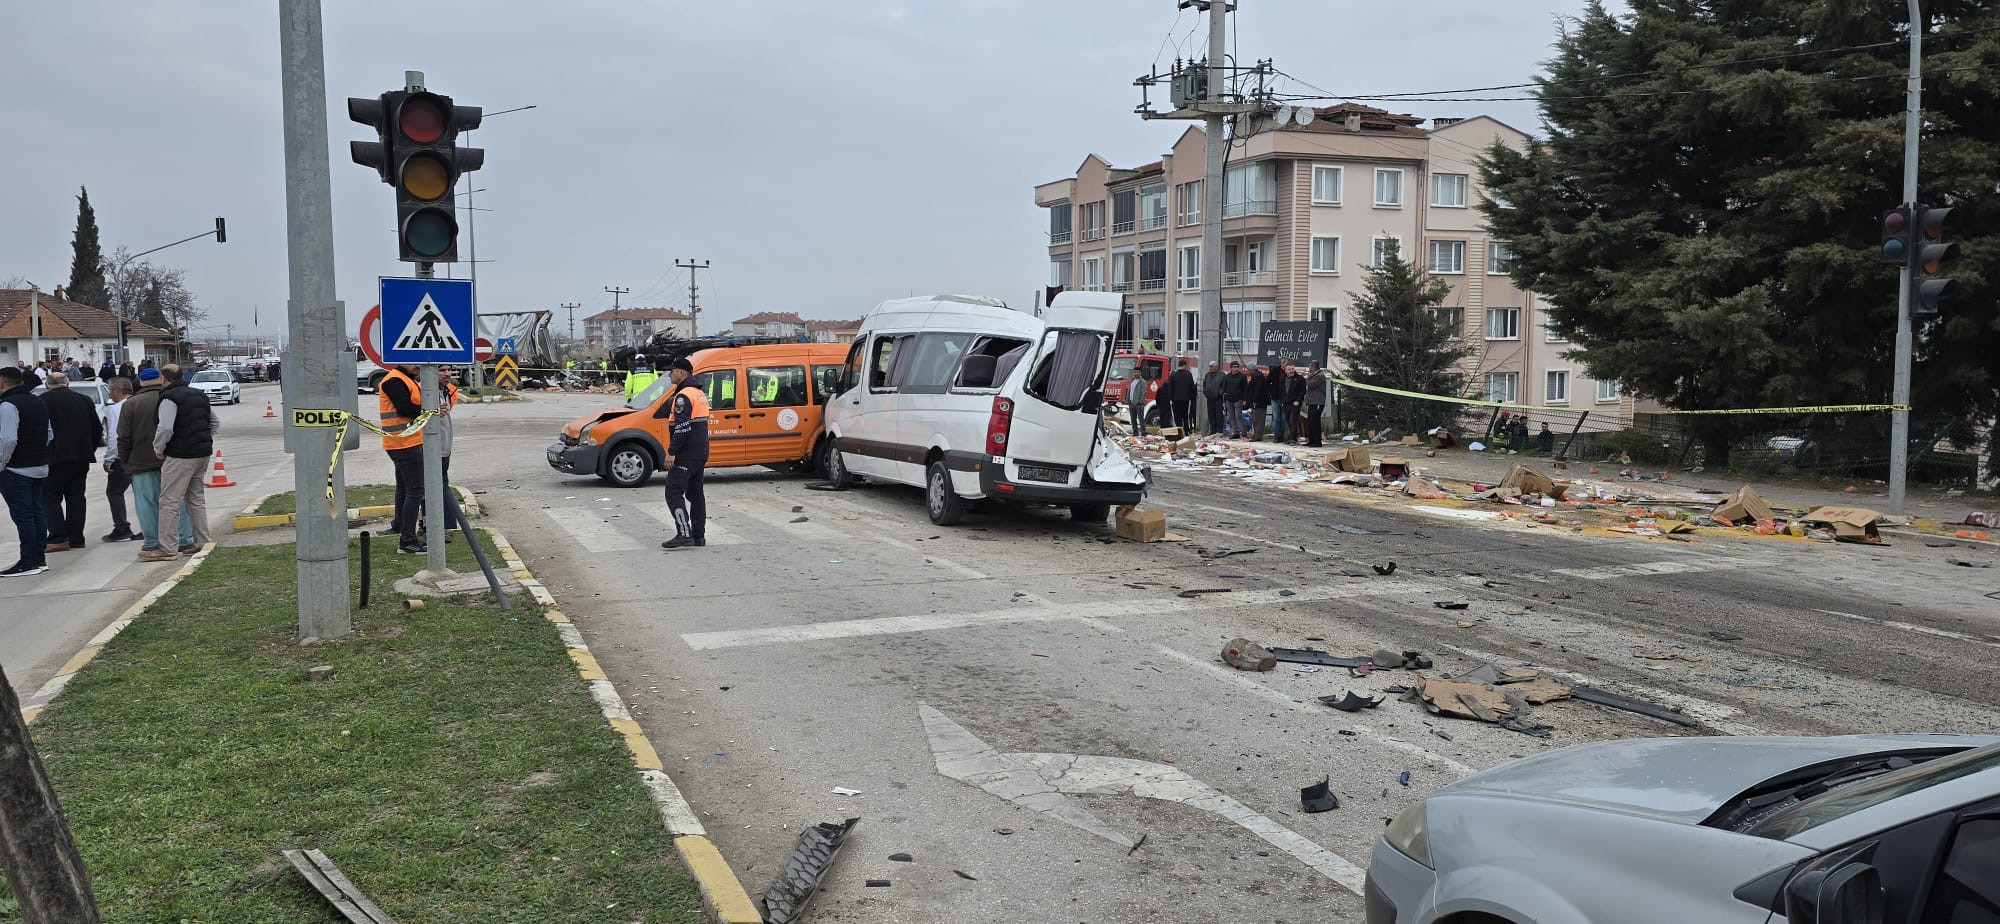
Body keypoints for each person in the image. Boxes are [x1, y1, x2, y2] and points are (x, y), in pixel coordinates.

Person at [118, 367, 191, 560]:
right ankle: (185, 539)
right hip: (173, 458)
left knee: (147, 504)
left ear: (140, 382)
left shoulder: (131, 404)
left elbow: (123, 437)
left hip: (141, 462)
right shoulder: (172, 398)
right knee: (177, 501)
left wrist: (124, 460)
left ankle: (152, 543)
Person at [153, 364, 219, 556]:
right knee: (196, 499)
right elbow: (215, 422)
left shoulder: (169, 398)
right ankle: (203, 542)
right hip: (202, 453)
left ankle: (167, 547)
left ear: (164, 379)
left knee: (169, 502)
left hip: (180, 455)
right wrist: (204, 439)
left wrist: (159, 449)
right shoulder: (199, 395)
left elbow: (165, 428)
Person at [38, 373, 102, 553]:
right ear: (67, 383)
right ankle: (76, 538)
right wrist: (89, 449)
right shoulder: (84, 400)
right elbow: (96, 429)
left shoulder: (42, 400)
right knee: (76, 497)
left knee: (50, 497)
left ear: (47, 384)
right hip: (80, 457)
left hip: (53, 457)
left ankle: (58, 538)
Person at [0, 366, 52, 577]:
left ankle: (28, 562)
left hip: (16, 469)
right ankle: (39, 559)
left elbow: (8, 438)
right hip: (39, 466)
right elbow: (49, 434)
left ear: (2, 384)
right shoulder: (38, 401)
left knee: (23, 517)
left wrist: (1, 463)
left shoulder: (7, 405)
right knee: (37, 514)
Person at [378, 361, 430, 554]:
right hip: (404, 444)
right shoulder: (394, 381)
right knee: (415, 491)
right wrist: (429, 409)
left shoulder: (407, 379)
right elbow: (405, 409)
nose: (418, 365)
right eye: (413, 361)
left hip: (405, 442)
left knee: (404, 490)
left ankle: (402, 529)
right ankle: (407, 541)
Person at [659, 358, 710, 550]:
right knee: (695, 494)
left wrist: (672, 452)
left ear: (682, 373)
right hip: (700, 450)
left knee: (673, 491)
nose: (669, 374)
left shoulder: (683, 396)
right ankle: (698, 536)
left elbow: (682, 427)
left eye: (671, 371)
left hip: (687, 453)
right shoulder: (698, 393)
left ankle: (684, 533)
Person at [101, 377, 137, 542]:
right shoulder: (140, 403)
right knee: (145, 493)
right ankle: (151, 526)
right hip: (145, 456)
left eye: (110, 391)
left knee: (114, 492)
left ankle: (122, 527)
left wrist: (109, 459)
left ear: (117, 391)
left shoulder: (116, 409)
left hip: (124, 457)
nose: (110, 394)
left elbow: (115, 437)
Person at [1164, 357, 1197, 433]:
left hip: (1175, 400)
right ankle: (1186, 431)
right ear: (1184, 365)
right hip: (1186, 399)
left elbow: (1170, 388)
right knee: (1185, 416)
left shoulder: (1173, 375)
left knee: (1177, 416)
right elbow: (1191, 387)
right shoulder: (1188, 374)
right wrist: (1192, 397)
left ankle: (1179, 431)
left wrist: (1171, 399)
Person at [1302, 361, 1328, 448]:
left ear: (1313, 367)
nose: (1309, 368)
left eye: (1310, 366)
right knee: (1310, 422)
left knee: (1315, 422)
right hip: (1311, 402)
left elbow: (1310, 384)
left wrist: (1308, 377)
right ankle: (1311, 440)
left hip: (1317, 403)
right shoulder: (1314, 375)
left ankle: (1317, 442)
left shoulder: (1320, 376)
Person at [1268, 362, 1291, 444]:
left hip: (1284, 399)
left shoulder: (1289, 372)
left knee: (1284, 418)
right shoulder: (1274, 371)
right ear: (1281, 363)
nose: (1284, 364)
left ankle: (1282, 435)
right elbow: (1267, 382)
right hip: (1275, 397)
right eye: (1283, 362)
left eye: (1286, 362)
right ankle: (1276, 436)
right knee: (1276, 418)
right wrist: (1271, 392)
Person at [1245, 363, 1269, 442]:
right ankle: (1256, 434)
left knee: (1258, 419)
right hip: (1258, 401)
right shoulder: (1257, 375)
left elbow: (1258, 390)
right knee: (1255, 419)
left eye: (1248, 369)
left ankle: (1258, 436)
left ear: (1251, 369)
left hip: (1259, 402)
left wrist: (1255, 401)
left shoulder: (1257, 376)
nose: (1247, 371)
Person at [1285, 364, 1307, 444]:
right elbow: (1281, 390)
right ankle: (1293, 436)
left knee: (1292, 420)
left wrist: (1298, 400)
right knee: (1288, 420)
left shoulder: (1299, 379)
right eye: (1289, 369)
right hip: (1286, 403)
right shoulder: (1284, 379)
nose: (1291, 370)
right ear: (1286, 370)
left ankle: (1292, 438)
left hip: (1295, 403)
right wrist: (1282, 400)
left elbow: (1302, 391)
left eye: (1292, 369)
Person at [1200, 361, 1224, 435]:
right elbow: (1204, 385)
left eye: (1211, 366)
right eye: (1209, 366)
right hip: (1209, 398)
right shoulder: (1207, 375)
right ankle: (1212, 430)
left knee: (1218, 415)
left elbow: (1223, 386)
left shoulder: (1221, 374)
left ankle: (1219, 431)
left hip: (1218, 399)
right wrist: (1205, 392)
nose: (1210, 368)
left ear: (1216, 367)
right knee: (1211, 415)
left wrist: (1219, 393)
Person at [1123, 369, 1148, 434]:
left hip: (1138, 403)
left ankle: (1143, 432)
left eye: (1138, 372)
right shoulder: (1132, 381)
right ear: (1133, 373)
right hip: (1131, 403)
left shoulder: (1143, 381)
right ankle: (1135, 432)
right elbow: (1129, 391)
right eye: (1135, 372)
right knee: (1133, 419)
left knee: (1141, 419)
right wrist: (1127, 400)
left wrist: (1140, 401)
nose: (1136, 373)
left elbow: (1144, 392)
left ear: (1140, 373)